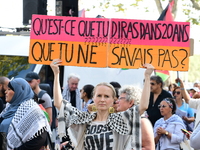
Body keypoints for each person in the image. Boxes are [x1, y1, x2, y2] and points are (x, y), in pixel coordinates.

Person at [50, 59, 152, 150]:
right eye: (99, 96)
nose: (102, 99)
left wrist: (147, 77)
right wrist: (56, 74)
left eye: (106, 96)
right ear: (93, 98)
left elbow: (143, 106)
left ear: (113, 100)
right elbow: (58, 103)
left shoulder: (119, 119)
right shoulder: (84, 119)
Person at [0, 78, 51, 150]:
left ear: (19, 91)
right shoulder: (8, 108)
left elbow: (40, 138)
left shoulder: (32, 109)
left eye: (9, 89)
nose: (5, 92)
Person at [116, 63, 155, 150]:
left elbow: (149, 148)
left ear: (130, 102)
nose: (117, 101)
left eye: (120, 99)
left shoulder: (142, 121)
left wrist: (147, 76)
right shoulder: (122, 118)